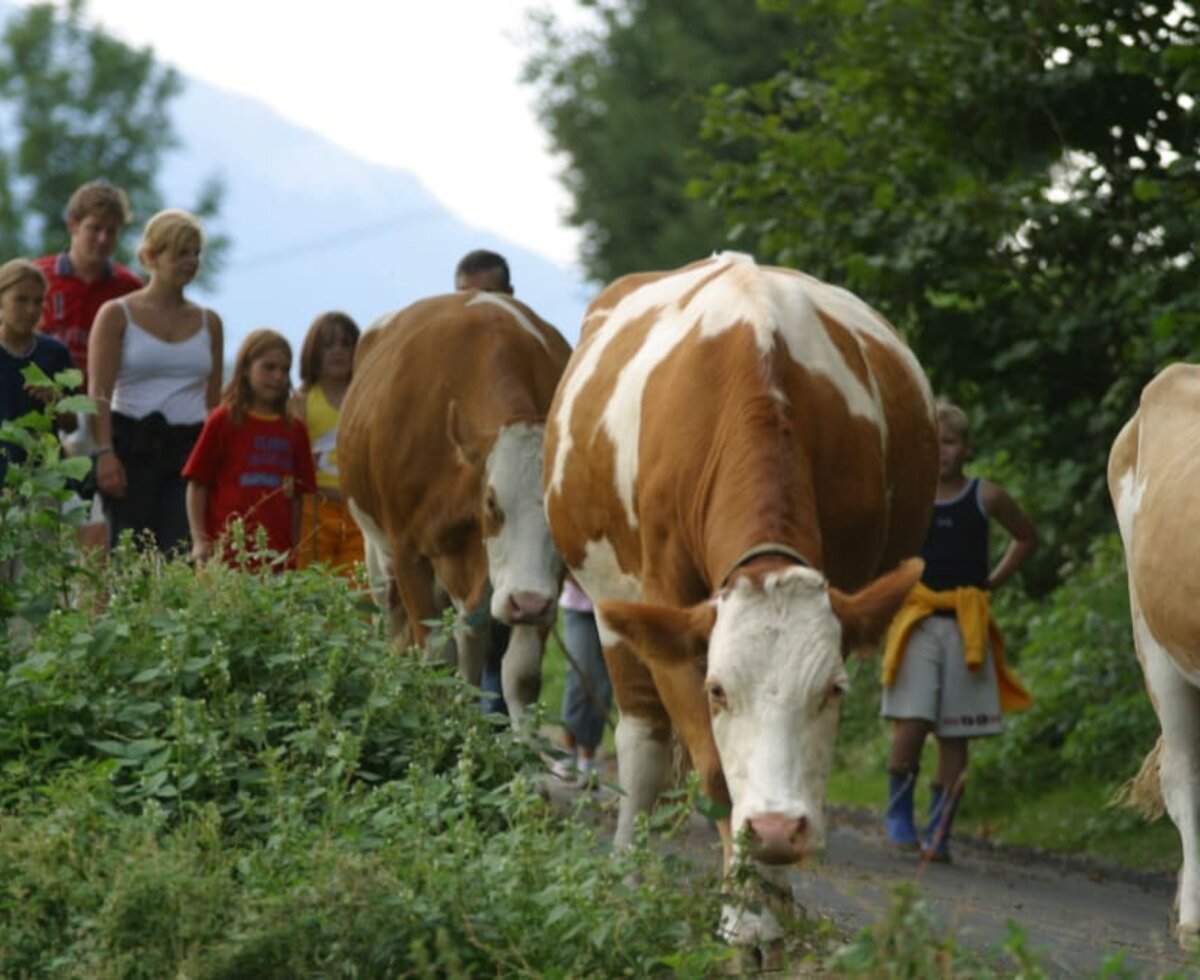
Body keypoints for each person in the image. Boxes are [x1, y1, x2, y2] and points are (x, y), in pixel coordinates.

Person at [880, 400, 1037, 861]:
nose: (941, 452)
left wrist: (992, 582)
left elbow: (1026, 537)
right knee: (912, 719)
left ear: (966, 447)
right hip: (919, 620)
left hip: (966, 623)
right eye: (933, 444)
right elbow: (885, 545)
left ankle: (940, 829)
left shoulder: (985, 496)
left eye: (949, 443)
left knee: (955, 731)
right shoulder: (908, 499)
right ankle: (898, 812)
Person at [88, 209, 222, 555]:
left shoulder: (210, 322)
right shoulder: (117, 314)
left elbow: (213, 403)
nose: (190, 261)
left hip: (190, 448)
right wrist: (104, 453)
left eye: (195, 253)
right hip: (132, 444)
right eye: (180, 253)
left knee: (182, 555)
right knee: (131, 558)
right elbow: (98, 393)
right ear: (153, 256)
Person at [36, 180, 142, 551]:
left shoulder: (128, 288)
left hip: (102, 412)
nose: (101, 239)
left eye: (110, 231)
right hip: (44, 409)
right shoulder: (41, 278)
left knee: (94, 523)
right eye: (94, 228)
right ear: (73, 225)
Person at [182, 328, 317, 570]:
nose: (277, 376)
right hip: (226, 557)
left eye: (284, 370)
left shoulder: (295, 430)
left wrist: (294, 550)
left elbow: (298, 497)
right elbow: (197, 483)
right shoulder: (223, 420)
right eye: (268, 367)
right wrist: (199, 540)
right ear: (245, 368)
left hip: (277, 558)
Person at [453, 248, 514, 715]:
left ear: (510, 296)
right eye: (464, 299)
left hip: (510, 533)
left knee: (503, 636)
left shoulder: (531, 359)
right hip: (455, 532)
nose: (477, 310)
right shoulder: (443, 368)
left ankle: (495, 731)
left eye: (489, 296)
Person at [289, 311, 364, 575]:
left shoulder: (366, 398)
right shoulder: (302, 399)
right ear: (313, 351)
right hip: (314, 511)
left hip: (360, 512)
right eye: (328, 345)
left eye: (346, 344)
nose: (337, 352)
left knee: (362, 594)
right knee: (313, 588)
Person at [0, 260, 76, 487]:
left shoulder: (54, 353)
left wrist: (56, 401)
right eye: (21, 300)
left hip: (41, 477)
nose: (31, 310)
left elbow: (73, 424)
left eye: (38, 301)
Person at [551, 577, 612, 787]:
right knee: (580, 675)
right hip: (580, 607)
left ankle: (589, 754)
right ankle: (567, 750)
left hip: (612, 605)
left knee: (604, 684)